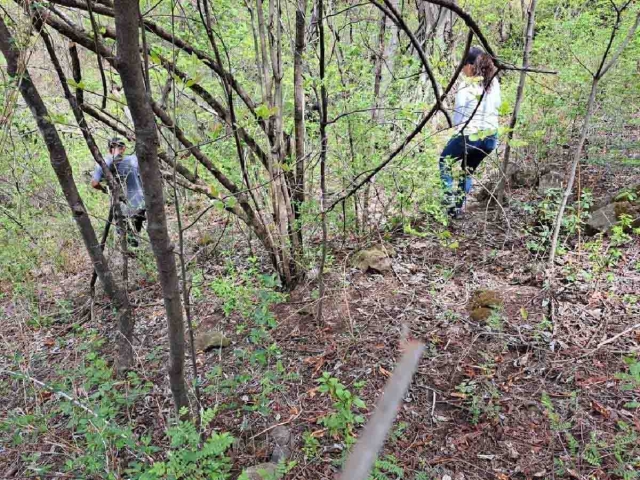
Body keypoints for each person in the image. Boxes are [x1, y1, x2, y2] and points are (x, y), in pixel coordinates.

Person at [439, 46, 501, 218]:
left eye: (463, 66)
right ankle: (456, 209)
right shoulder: (494, 82)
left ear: (470, 65)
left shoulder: (466, 84)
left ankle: (449, 202)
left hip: (470, 135)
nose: (462, 70)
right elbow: (497, 107)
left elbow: (458, 115)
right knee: (467, 170)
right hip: (490, 138)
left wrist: (456, 130)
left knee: (444, 161)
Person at [91, 138, 146, 247]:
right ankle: (138, 253)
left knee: (124, 234)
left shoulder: (103, 163)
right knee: (135, 231)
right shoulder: (134, 159)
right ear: (124, 148)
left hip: (122, 206)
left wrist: (105, 190)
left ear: (109, 149)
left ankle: (132, 255)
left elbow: (94, 183)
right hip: (140, 203)